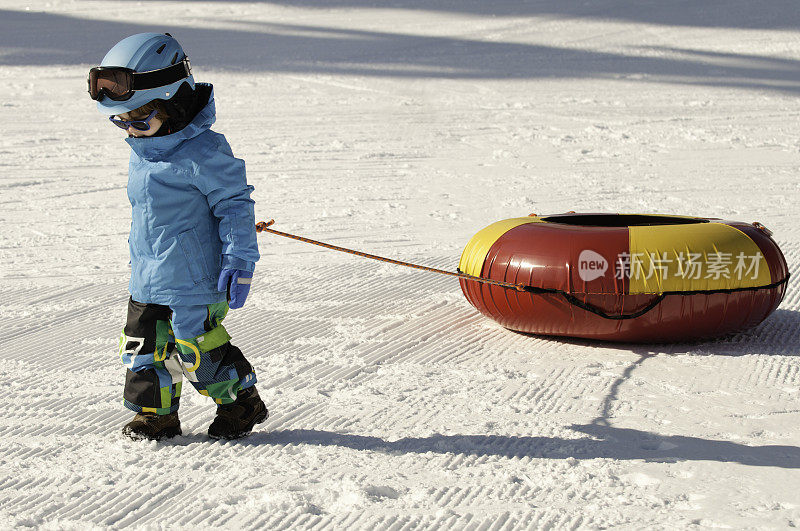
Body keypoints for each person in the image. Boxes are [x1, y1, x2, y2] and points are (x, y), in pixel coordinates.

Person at [88, 33, 267, 441]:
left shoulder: (204, 152)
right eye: (120, 121)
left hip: (195, 280)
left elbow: (236, 204)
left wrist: (241, 259)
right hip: (147, 278)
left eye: (139, 119)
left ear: (172, 104)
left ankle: (242, 402)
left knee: (196, 349)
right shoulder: (143, 149)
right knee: (141, 351)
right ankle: (156, 416)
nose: (130, 130)